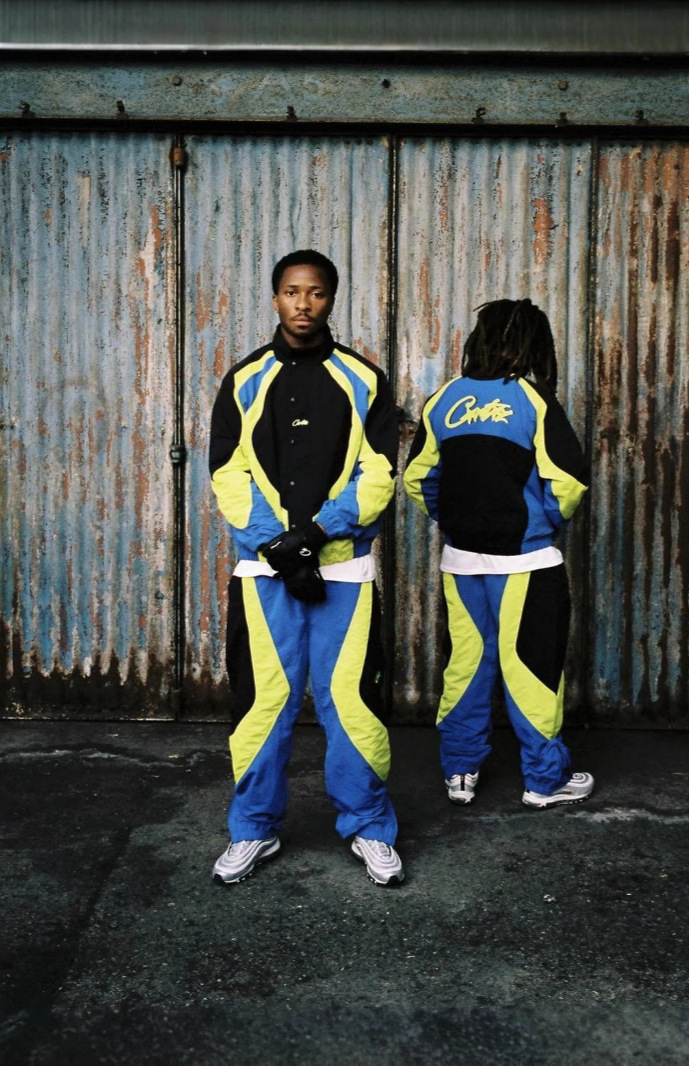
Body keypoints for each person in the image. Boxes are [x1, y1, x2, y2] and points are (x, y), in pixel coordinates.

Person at [208, 249, 403, 887]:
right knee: (263, 703)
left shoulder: (363, 378)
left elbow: (380, 473)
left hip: (343, 573)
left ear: (331, 300)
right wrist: (278, 547)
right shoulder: (244, 379)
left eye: (315, 293)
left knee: (352, 702)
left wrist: (314, 536)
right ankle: (253, 829)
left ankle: (370, 827)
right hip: (265, 577)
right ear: (275, 298)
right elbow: (228, 472)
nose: (303, 304)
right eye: (292, 291)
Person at [403, 299, 594, 810]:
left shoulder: (444, 399)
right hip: (526, 564)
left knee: (466, 665)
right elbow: (568, 482)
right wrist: (540, 524)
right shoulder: (533, 400)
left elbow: (418, 478)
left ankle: (460, 772)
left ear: (479, 339)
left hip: (461, 561)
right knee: (531, 668)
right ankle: (544, 781)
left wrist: (457, 522)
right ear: (532, 344)